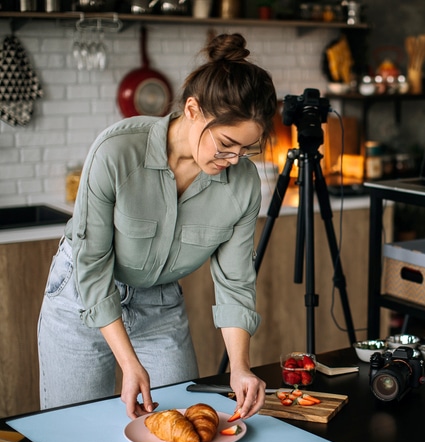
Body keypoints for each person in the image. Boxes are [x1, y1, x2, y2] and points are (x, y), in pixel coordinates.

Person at [37, 33, 277, 420]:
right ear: (193, 109)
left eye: (247, 149)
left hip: (159, 303)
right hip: (81, 295)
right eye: (227, 144)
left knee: (180, 426)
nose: (235, 160)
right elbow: (93, 263)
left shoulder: (243, 183)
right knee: (73, 431)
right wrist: (129, 363)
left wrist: (240, 366)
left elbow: (235, 282)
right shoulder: (116, 151)